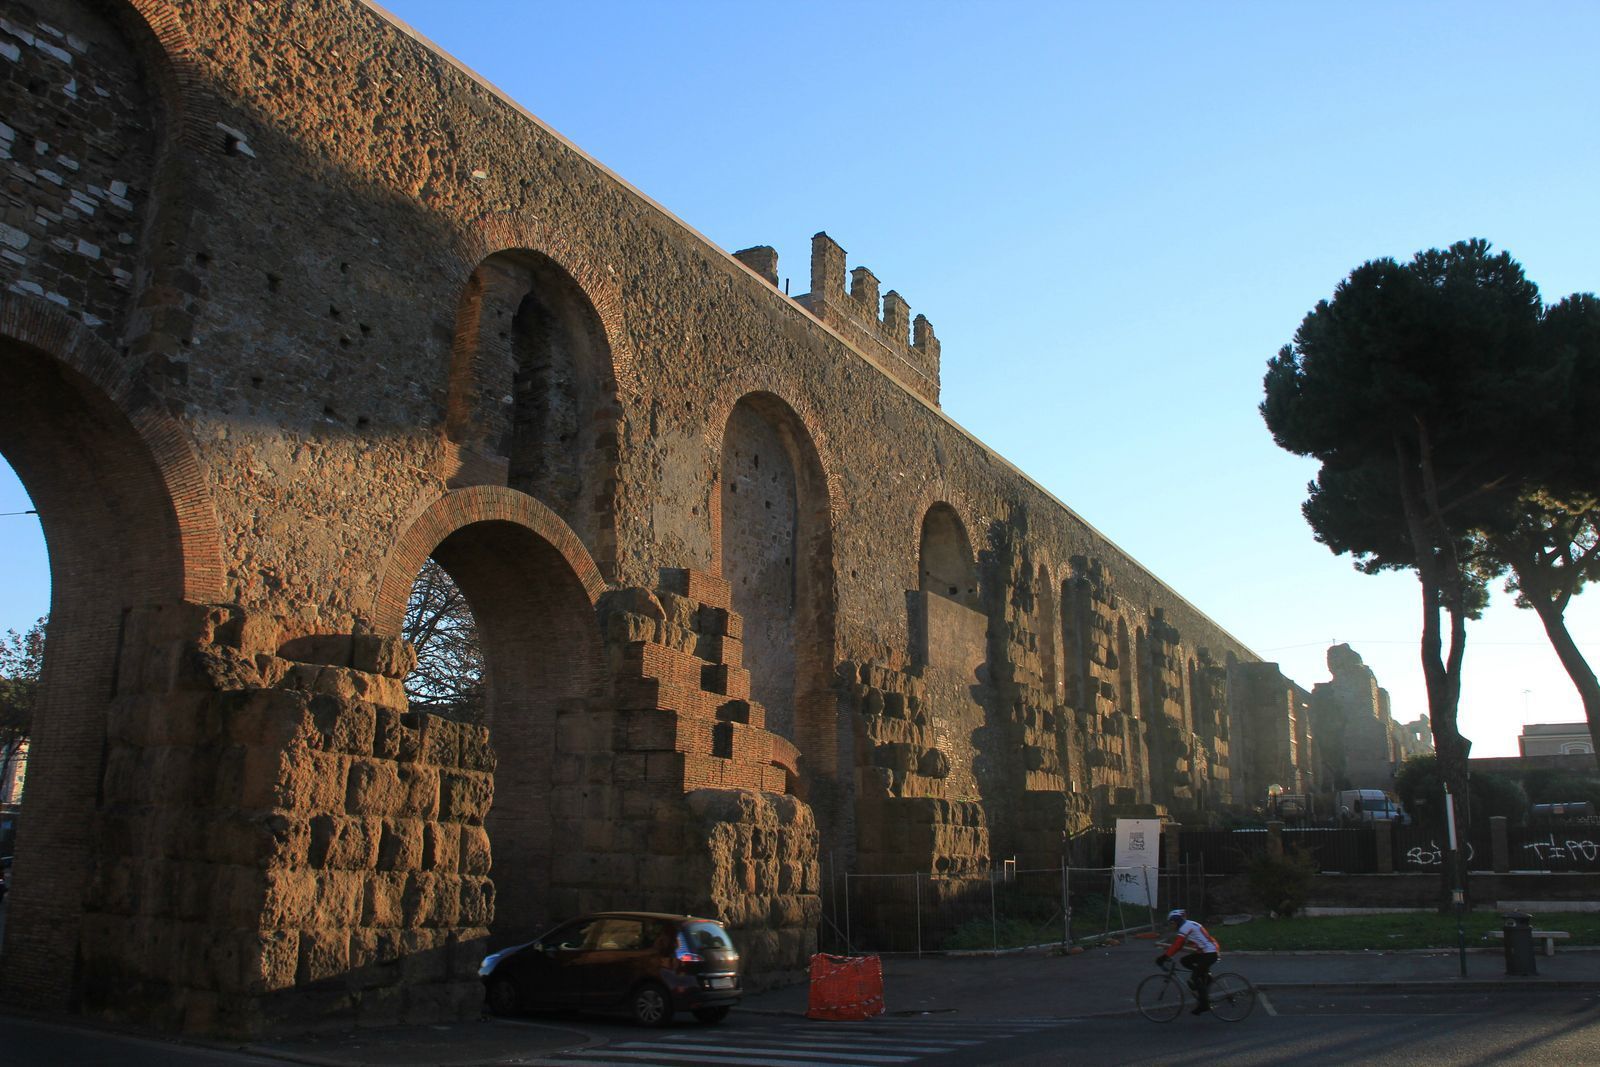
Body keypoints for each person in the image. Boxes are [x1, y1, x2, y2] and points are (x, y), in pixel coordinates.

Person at [1155, 907, 1220, 1015]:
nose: (1171, 925)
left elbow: (1177, 945)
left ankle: (1204, 1005)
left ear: (1177, 920)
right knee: (1185, 961)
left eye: (1172, 922)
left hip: (1209, 953)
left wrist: (1163, 958)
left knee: (1194, 979)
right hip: (1207, 952)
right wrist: (1168, 954)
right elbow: (1183, 944)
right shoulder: (1189, 924)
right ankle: (1203, 976)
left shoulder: (1185, 927)